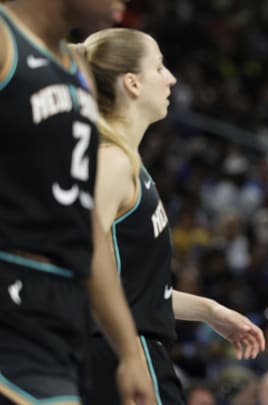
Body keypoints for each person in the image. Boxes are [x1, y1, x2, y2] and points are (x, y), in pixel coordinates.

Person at [78, 27, 266, 404]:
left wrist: (209, 311)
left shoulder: (128, 163)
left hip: (126, 347)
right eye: (159, 67)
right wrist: (128, 356)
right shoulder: (111, 162)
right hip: (123, 351)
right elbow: (79, 264)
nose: (171, 78)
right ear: (131, 83)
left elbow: (134, 291)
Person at [0, 1, 156, 404]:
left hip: (61, 314)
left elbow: (83, 225)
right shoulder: (4, 38)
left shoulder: (76, 69)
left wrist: (128, 352)